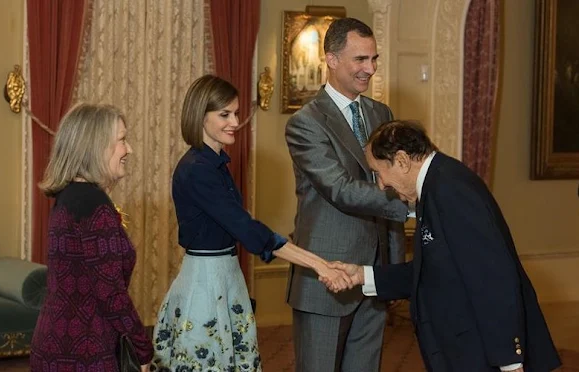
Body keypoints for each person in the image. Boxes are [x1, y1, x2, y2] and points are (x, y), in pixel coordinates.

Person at [326, 120, 562, 372]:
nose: (381, 184)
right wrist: (362, 275)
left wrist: (510, 362)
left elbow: (492, 276)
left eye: (379, 172)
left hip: (483, 356)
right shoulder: (436, 185)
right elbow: (431, 271)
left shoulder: (450, 188)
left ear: (402, 161)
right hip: (465, 351)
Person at [151, 74, 350, 372]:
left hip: (225, 275)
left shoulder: (215, 164)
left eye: (236, 112)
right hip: (206, 282)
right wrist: (319, 265)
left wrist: (318, 262)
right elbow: (249, 230)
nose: (235, 121)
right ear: (200, 116)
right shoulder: (197, 170)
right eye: (224, 114)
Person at [285, 17, 409, 372]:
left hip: (373, 277)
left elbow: (392, 180)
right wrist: (408, 203)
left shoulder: (381, 113)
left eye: (374, 59)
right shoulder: (306, 123)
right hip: (327, 278)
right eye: (360, 59)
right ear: (332, 59)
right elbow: (339, 188)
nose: (370, 69)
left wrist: (394, 272)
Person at [30, 104, 153, 371]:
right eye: (122, 140)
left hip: (52, 344)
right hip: (86, 355)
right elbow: (111, 293)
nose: (129, 149)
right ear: (97, 146)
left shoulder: (68, 196)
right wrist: (143, 348)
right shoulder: (95, 205)